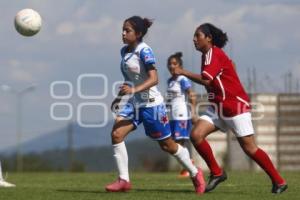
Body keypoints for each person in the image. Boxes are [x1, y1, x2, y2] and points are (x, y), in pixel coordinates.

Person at [172, 23, 287, 194]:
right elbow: (217, 77)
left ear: (209, 38)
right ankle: (217, 173)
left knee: (250, 148)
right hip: (218, 106)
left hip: (235, 106)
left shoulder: (213, 53)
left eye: (198, 36)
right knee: (196, 135)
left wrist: (182, 72)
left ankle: (279, 181)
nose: (194, 39)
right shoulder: (207, 55)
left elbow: (206, 80)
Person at [105, 16, 205, 194]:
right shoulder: (124, 52)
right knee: (116, 134)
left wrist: (134, 90)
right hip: (135, 103)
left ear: (139, 33)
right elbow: (130, 80)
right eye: (123, 29)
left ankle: (195, 173)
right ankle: (124, 181)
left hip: (152, 105)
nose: (123, 33)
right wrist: (120, 98)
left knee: (168, 145)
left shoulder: (145, 51)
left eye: (127, 30)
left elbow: (154, 79)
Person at [166, 52, 196, 177]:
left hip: (182, 114)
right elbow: (169, 99)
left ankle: (188, 167)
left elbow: (192, 95)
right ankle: (188, 165)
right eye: (170, 64)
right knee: (173, 143)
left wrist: (193, 112)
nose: (172, 66)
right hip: (173, 116)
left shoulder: (182, 79)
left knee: (179, 142)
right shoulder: (170, 81)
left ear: (180, 66)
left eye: (175, 64)